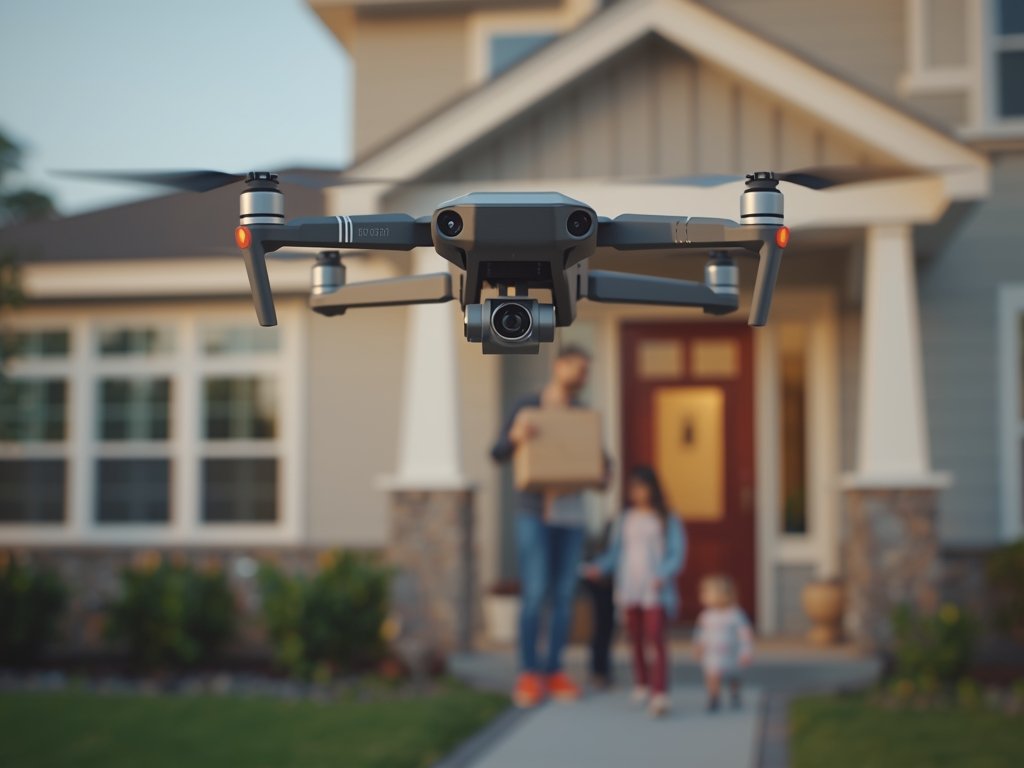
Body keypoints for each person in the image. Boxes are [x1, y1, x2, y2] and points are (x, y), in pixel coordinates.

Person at [491, 345, 599, 708]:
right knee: (535, 593)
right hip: (534, 514)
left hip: (571, 516)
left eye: (586, 371)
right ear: (558, 366)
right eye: (578, 369)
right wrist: (516, 437)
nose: (583, 377)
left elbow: (599, 463)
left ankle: (554, 670)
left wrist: (603, 473)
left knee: (564, 597)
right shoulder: (527, 406)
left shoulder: (582, 415)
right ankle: (529, 672)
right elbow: (497, 451)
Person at [583, 466, 687, 718]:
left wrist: (663, 574)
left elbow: (677, 554)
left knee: (655, 637)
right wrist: (599, 567)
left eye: (642, 487)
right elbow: (616, 552)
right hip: (630, 586)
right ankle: (642, 683)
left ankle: (660, 691)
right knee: (636, 637)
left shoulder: (667, 519)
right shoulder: (625, 519)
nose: (638, 493)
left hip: (655, 588)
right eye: (633, 488)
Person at [693, 573, 754, 712]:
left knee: (734, 676)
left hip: (731, 653)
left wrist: (746, 651)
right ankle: (714, 697)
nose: (702, 596)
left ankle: (735, 694)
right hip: (712, 653)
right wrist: (698, 646)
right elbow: (700, 633)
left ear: (721, 595)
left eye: (706, 593)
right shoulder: (706, 616)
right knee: (712, 675)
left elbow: (745, 635)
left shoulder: (735, 615)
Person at [584, 517, 616, 690]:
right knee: (602, 625)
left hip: (610, 575)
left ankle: (602, 670)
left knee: (606, 626)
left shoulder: (620, 519)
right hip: (596, 576)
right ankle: (599, 670)